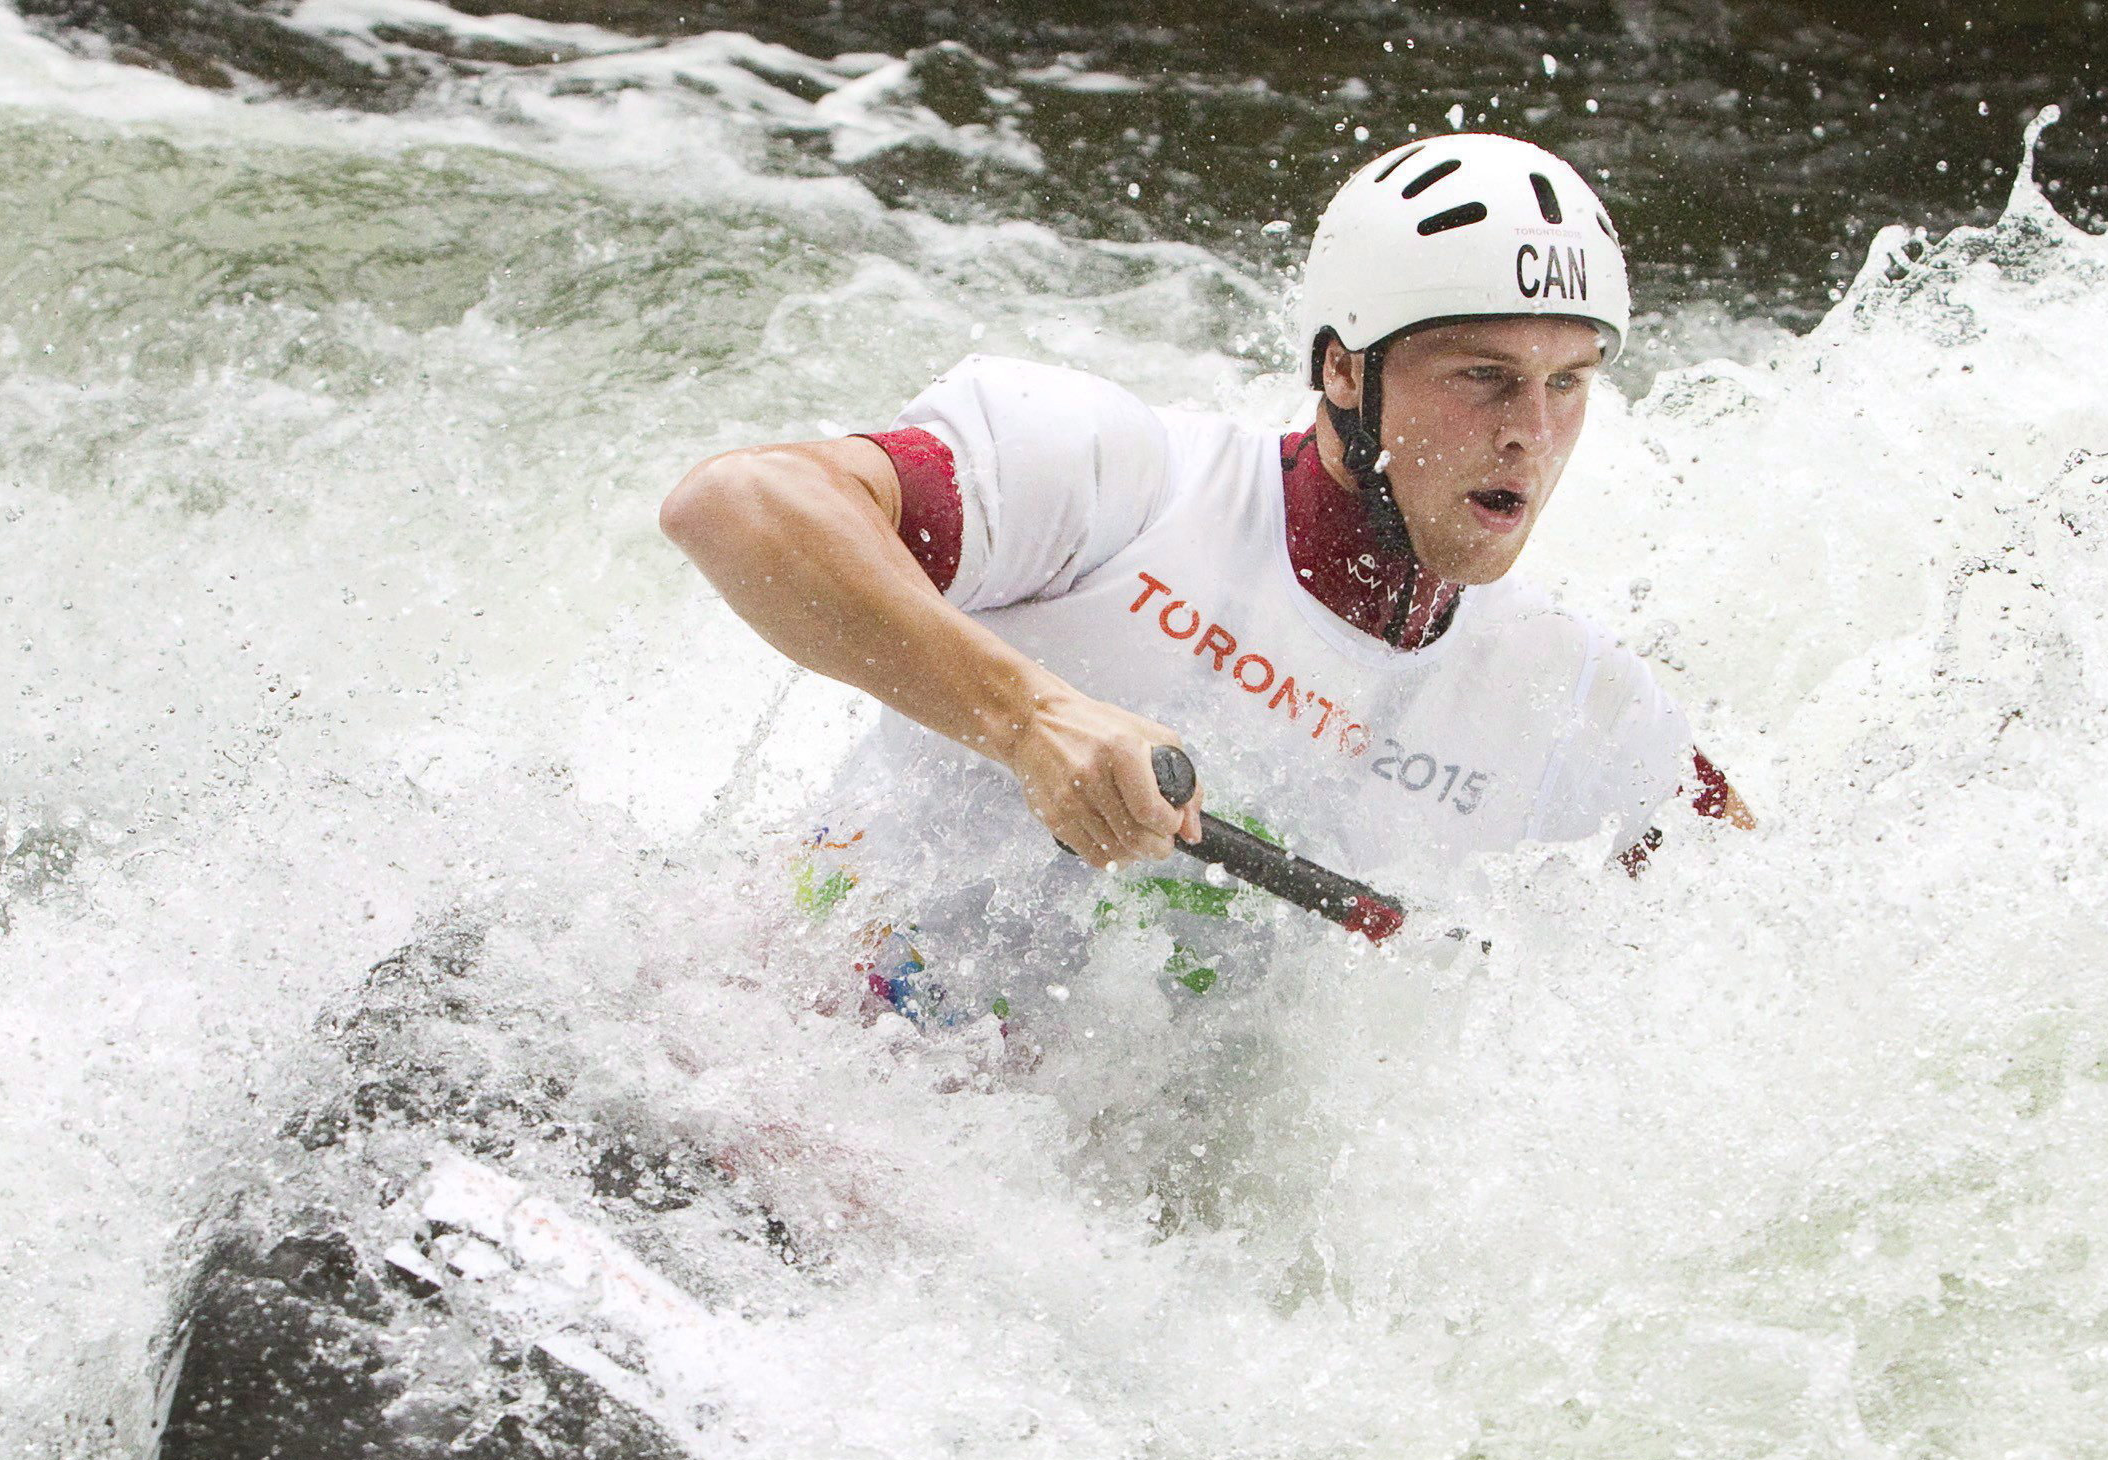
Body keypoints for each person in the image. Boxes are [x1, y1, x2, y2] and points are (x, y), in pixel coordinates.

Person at [661, 133, 1750, 1020]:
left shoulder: (1572, 709)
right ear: (1341, 366)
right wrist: (1029, 721)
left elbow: (1773, 950)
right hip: (767, 1052)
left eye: (1569, 383)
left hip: (1047, 1225)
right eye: (1484, 377)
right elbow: (734, 505)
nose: (1531, 434)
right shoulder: (1117, 479)